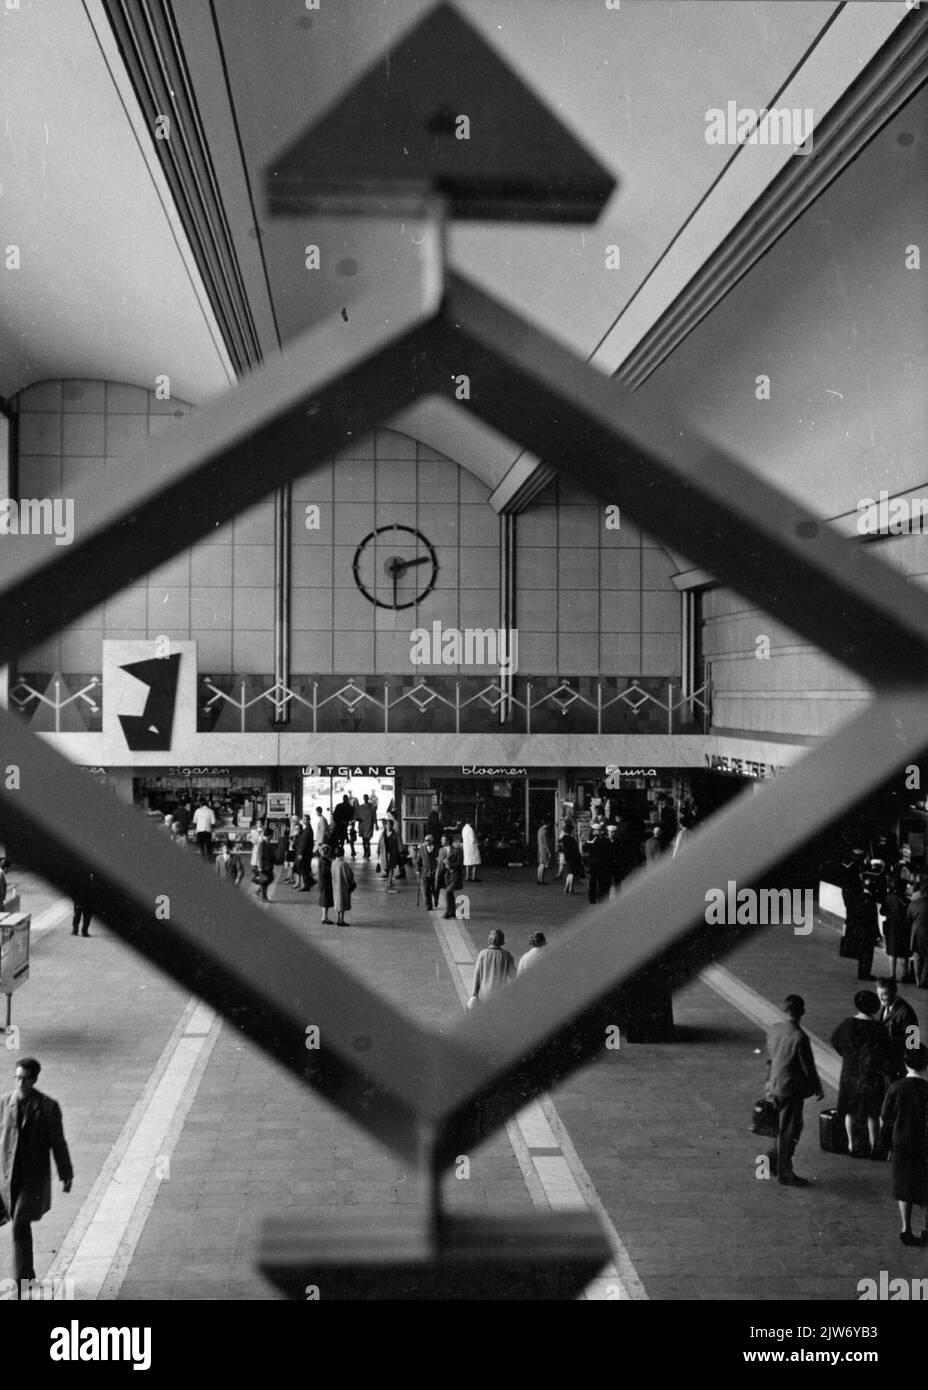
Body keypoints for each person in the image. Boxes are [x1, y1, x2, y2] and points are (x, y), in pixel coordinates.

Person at [0, 1059, 73, 1295]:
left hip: (30, 1181)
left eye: (25, 1078)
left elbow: (58, 1143)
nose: (20, 1083)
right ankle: (27, 1276)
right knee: (18, 1227)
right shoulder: (3, 1104)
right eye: (17, 1078)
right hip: (4, 1176)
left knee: (20, 1223)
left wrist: (66, 1173)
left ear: (34, 1079)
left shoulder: (48, 1107)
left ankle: (22, 1285)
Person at [764, 994, 824, 1187]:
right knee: (791, 1130)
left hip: (774, 1084)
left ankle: (773, 1159)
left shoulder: (774, 1029)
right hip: (791, 1090)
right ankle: (784, 1171)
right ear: (802, 1012)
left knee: (781, 1128)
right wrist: (817, 1087)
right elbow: (808, 1067)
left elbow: (772, 1056)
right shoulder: (800, 1037)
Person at [830, 990, 894, 1157]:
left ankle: (852, 1145)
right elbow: (887, 1051)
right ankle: (875, 1146)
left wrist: (848, 1055)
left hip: (850, 1073)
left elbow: (835, 1041)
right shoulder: (879, 1028)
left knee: (850, 1110)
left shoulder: (848, 1023)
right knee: (873, 1113)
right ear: (874, 1006)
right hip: (872, 1075)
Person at [879, 1043, 928, 1245]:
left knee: (904, 1184)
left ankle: (906, 1228)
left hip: (901, 1143)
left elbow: (885, 1117)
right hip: (924, 1143)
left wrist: (886, 1146)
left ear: (905, 1064)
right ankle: (927, 1228)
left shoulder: (896, 1087)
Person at [877, 979, 920, 1081]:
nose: (880, 997)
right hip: (886, 1062)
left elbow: (913, 1043)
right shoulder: (886, 1007)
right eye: (878, 993)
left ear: (894, 992)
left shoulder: (907, 1012)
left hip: (897, 1065)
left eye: (884, 994)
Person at [469, 929, 516, 1005]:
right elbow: (514, 975)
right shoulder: (506, 955)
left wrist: (474, 993)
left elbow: (477, 975)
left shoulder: (483, 954)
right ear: (501, 941)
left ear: (490, 939)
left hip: (484, 994)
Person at [881, 877, 914, 984]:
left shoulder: (888, 898)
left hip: (890, 927)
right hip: (904, 928)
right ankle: (905, 975)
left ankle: (892, 975)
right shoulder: (907, 901)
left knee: (892, 952)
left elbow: (882, 911)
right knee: (904, 953)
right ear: (904, 888)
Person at [845, 885, 880, 981]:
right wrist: (877, 933)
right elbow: (874, 919)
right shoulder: (871, 900)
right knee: (868, 954)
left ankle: (861, 973)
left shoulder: (857, 898)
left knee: (861, 953)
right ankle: (866, 973)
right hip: (868, 931)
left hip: (858, 930)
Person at [908, 877, 928, 987]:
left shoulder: (914, 903)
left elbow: (908, 919)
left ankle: (917, 980)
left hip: (915, 934)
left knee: (917, 956)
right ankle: (924, 980)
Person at [586, 824, 611, 905]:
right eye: (598, 830)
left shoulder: (590, 840)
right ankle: (598, 898)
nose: (599, 831)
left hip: (595, 863)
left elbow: (585, 849)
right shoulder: (602, 840)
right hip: (600, 863)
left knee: (594, 881)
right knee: (598, 881)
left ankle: (593, 898)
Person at [331, 845, 355, 926]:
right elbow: (350, 875)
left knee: (337, 903)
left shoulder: (333, 863)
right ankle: (341, 920)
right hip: (343, 887)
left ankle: (337, 919)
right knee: (343, 904)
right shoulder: (344, 864)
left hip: (335, 887)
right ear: (343, 854)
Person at [441, 836, 464, 919]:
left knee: (448, 892)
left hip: (456, 874)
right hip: (449, 874)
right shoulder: (451, 850)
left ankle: (448, 911)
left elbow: (460, 863)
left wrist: (449, 864)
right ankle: (452, 911)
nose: (457, 843)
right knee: (450, 893)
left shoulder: (459, 851)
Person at [377, 818, 401, 892]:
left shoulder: (395, 834)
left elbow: (399, 844)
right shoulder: (383, 833)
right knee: (385, 867)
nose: (389, 826)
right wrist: (378, 851)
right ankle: (388, 878)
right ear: (386, 825)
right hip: (384, 853)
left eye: (390, 825)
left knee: (391, 867)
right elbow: (380, 842)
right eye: (387, 825)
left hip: (392, 853)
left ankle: (389, 880)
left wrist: (400, 852)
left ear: (392, 826)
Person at [415, 836, 439, 910]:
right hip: (425, 872)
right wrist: (417, 869)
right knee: (426, 890)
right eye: (425, 840)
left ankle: (435, 898)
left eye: (428, 840)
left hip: (434, 872)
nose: (426, 842)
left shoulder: (437, 849)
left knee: (435, 889)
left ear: (432, 841)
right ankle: (429, 905)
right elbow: (418, 860)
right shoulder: (422, 849)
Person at [558, 826, 582, 896]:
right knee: (572, 873)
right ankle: (570, 888)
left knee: (569, 873)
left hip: (567, 857)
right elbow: (575, 848)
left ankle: (566, 888)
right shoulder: (571, 839)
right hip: (572, 857)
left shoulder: (563, 839)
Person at [71, 870, 95, 937]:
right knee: (83, 915)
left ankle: (77, 930)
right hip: (84, 897)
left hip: (85, 898)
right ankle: (81, 931)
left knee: (79, 914)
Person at [293, 817, 314, 891]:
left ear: (308, 820)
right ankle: (309, 882)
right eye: (303, 819)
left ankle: (308, 884)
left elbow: (304, 843)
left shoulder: (308, 830)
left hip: (305, 853)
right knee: (303, 868)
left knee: (304, 868)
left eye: (305, 819)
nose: (304, 820)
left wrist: (301, 853)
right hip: (304, 852)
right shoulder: (306, 830)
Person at [253, 828, 275, 902]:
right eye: (272, 835)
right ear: (269, 835)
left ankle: (259, 890)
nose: (272, 836)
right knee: (264, 881)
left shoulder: (268, 842)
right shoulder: (262, 843)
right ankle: (264, 898)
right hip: (264, 867)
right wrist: (260, 867)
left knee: (269, 879)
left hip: (268, 866)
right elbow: (259, 855)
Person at [317, 845, 334, 925]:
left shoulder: (322, 859)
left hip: (323, 882)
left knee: (325, 899)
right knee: (325, 900)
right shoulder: (324, 860)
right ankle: (324, 917)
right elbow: (326, 870)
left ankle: (324, 916)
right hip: (325, 882)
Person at [356, 796, 377, 860]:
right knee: (363, 840)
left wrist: (376, 824)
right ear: (363, 799)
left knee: (367, 840)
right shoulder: (360, 807)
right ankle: (365, 851)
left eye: (366, 798)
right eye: (364, 798)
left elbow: (374, 817)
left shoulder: (372, 808)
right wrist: (357, 819)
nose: (365, 799)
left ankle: (368, 852)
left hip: (369, 826)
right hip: (362, 826)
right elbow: (357, 816)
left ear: (368, 799)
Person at [536, 820, 554, 885]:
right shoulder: (545, 832)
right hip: (544, 850)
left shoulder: (539, 830)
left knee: (540, 864)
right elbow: (546, 843)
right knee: (543, 865)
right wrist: (549, 852)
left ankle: (538, 878)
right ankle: (541, 879)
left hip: (540, 849)